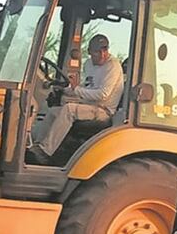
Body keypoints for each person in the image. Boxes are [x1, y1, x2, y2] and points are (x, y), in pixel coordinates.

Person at [27, 34, 123, 164]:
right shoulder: (88, 64)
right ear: (89, 52)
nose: (102, 55)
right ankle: (36, 147)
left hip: (103, 110)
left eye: (105, 50)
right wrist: (66, 90)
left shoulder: (112, 66)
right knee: (54, 111)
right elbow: (86, 87)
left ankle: (45, 152)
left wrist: (76, 90)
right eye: (97, 51)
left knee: (69, 110)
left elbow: (103, 95)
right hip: (88, 105)